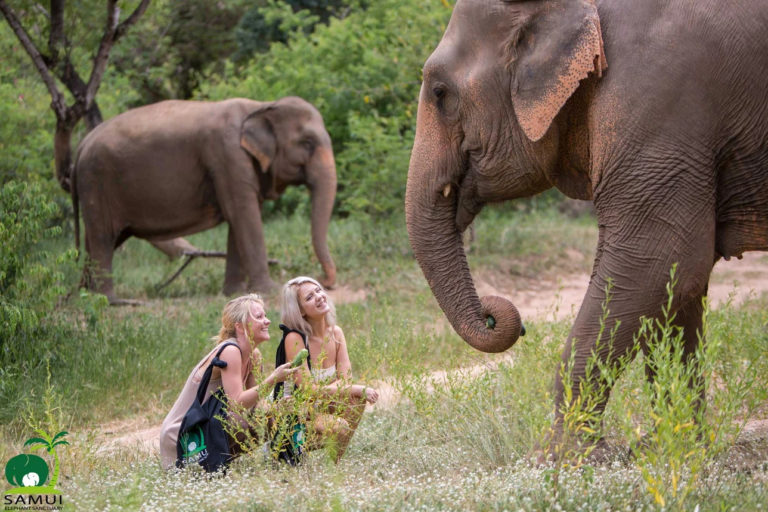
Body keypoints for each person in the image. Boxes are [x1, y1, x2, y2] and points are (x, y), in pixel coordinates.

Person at [159, 293, 297, 470]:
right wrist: (273, 379)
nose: (267, 321)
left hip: (208, 425)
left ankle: (277, 462)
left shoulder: (254, 355)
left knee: (266, 416)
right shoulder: (230, 351)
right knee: (242, 421)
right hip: (184, 435)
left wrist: (277, 409)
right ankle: (208, 465)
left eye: (265, 315)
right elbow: (237, 403)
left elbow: (257, 405)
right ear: (240, 327)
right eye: (259, 317)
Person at [275, 276, 379, 462]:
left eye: (318, 290)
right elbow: (307, 390)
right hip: (298, 413)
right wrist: (353, 387)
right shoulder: (295, 339)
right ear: (300, 311)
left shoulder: (336, 333)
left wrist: (350, 389)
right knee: (340, 424)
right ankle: (287, 450)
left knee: (356, 400)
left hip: (321, 406)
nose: (319, 297)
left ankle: (333, 464)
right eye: (309, 297)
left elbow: (345, 381)